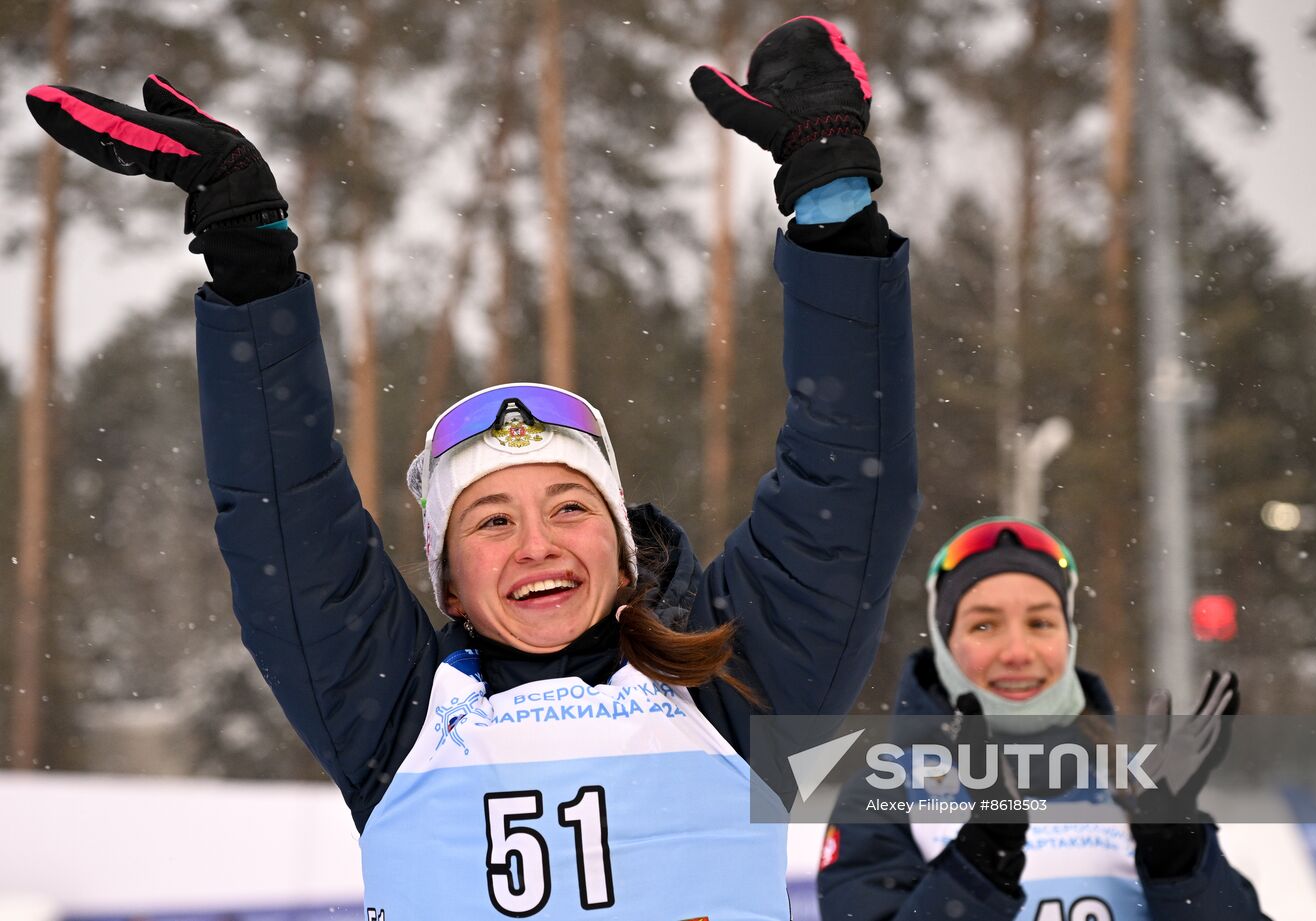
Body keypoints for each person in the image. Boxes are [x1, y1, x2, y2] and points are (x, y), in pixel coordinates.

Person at [28, 15, 917, 919]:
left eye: (570, 506)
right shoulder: (393, 720)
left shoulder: (736, 693)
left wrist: (835, 208)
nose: (538, 544)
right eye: (492, 520)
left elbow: (848, 474)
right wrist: (249, 253)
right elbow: (281, 511)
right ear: (449, 585)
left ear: (622, 549)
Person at [817, 518, 1271, 921]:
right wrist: (979, 863)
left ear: (1068, 637)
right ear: (944, 643)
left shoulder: (1140, 782)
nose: (1018, 652)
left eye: (1040, 624)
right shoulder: (888, 789)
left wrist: (1180, 857)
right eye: (984, 625)